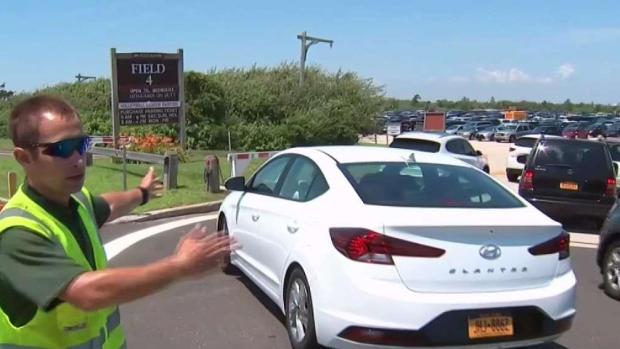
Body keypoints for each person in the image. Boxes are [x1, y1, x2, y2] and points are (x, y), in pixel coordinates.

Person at [0, 95, 238, 349]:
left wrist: (142, 193)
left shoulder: (75, 201)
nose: (79, 159)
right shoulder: (18, 232)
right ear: (24, 158)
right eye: (62, 149)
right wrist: (180, 265)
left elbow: (108, 205)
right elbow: (86, 293)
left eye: (81, 144)